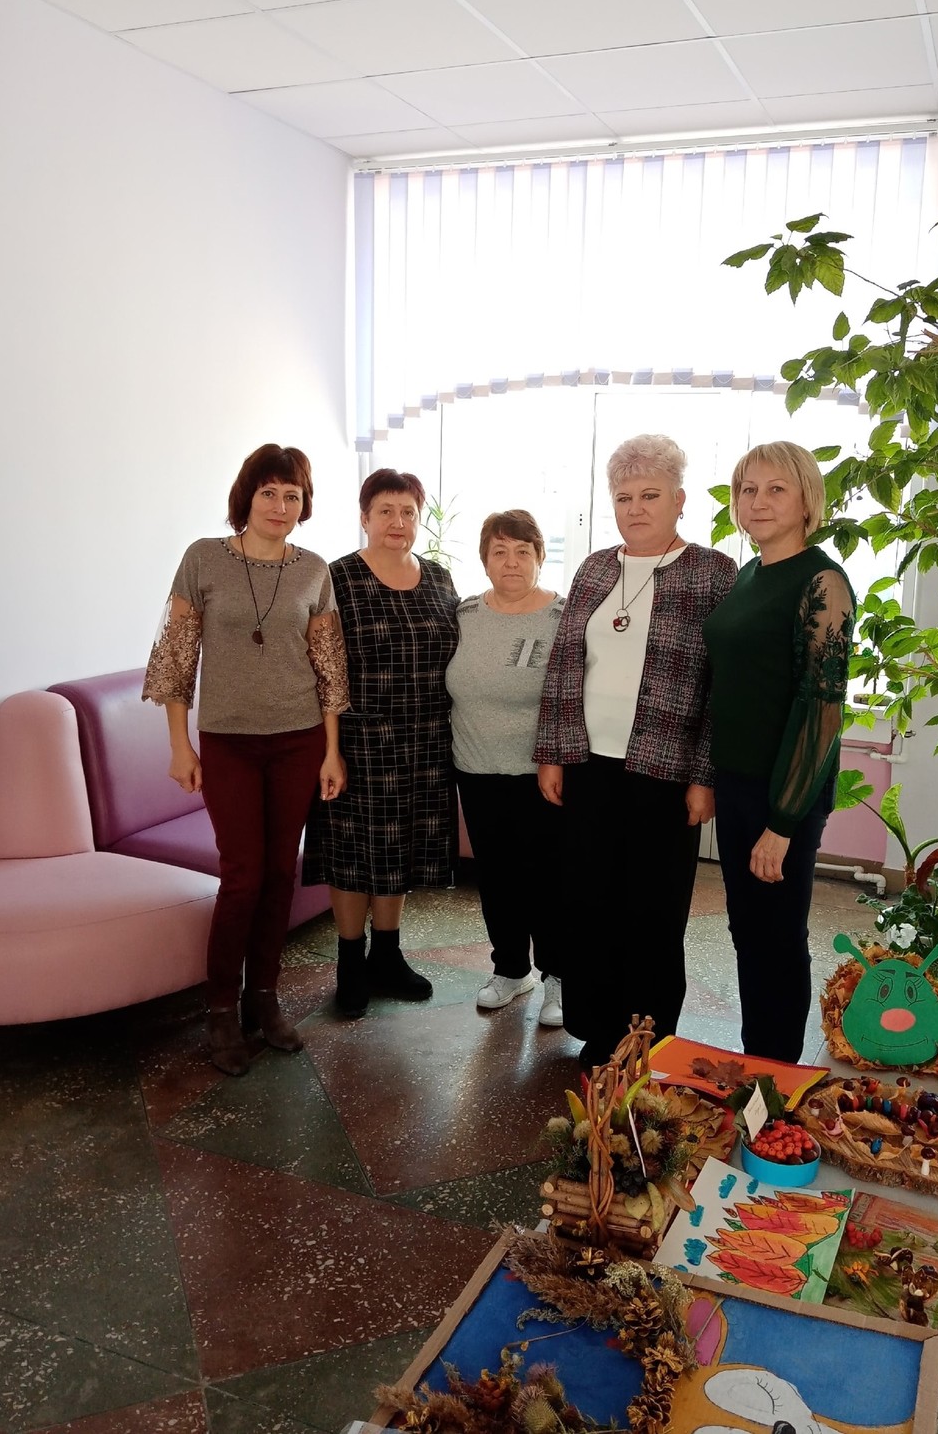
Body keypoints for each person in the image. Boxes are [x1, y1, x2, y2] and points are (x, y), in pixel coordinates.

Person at [142, 445, 349, 1076]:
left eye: (292, 495)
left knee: (282, 873)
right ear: (247, 497)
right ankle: (219, 1009)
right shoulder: (203, 558)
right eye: (269, 493)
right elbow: (176, 656)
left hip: (299, 740)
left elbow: (329, 667)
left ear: (303, 505)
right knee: (243, 877)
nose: (280, 506)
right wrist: (180, 744)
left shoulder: (313, 569)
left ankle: (264, 997)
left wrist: (331, 750)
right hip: (228, 741)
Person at [535, 435, 737, 1066]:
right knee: (588, 901)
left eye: (650, 495)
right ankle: (597, 1030)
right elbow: (565, 663)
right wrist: (552, 753)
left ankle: (646, 1039)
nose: (636, 508)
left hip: (665, 771)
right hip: (587, 764)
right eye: (624, 497)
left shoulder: (712, 572)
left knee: (652, 910)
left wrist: (705, 775)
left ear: (679, 499)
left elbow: (722, 684)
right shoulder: (595, 568)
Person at [704, 440, 855, 1063]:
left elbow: (822, 708)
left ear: (806, 500)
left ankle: (778, 1075)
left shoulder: (822, 581)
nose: (758, 501)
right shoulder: (748, 574)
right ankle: (755, 1064)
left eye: (775, 489)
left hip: (784, 793)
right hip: (737, 782)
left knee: (778, 938)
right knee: (748, 932)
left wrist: (783, 822)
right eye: (748, 489)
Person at [302, 469, 458, 1018]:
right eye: (385, 510)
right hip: (359, 740)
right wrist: (330, 750)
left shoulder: (439, 578)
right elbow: (324, 671)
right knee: (352, 854)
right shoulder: (337, 578)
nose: (398, 521)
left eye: (408, 511)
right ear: (364, 517)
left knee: (400, 851)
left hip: (427, 739)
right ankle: (351, 962)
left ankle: (387, 956)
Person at [447, 510, 566, 1024]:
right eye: (500, 551)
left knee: (548, 879)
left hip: (542, 774)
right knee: (496, 877)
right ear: (485, 560)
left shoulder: (562, 617)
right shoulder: (466, 613)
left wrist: (557, 759)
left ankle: (559, 976)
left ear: (540, 557)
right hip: (475, 768)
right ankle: (511, 970)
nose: (511, 562)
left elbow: (574, 696)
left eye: (522, 551)